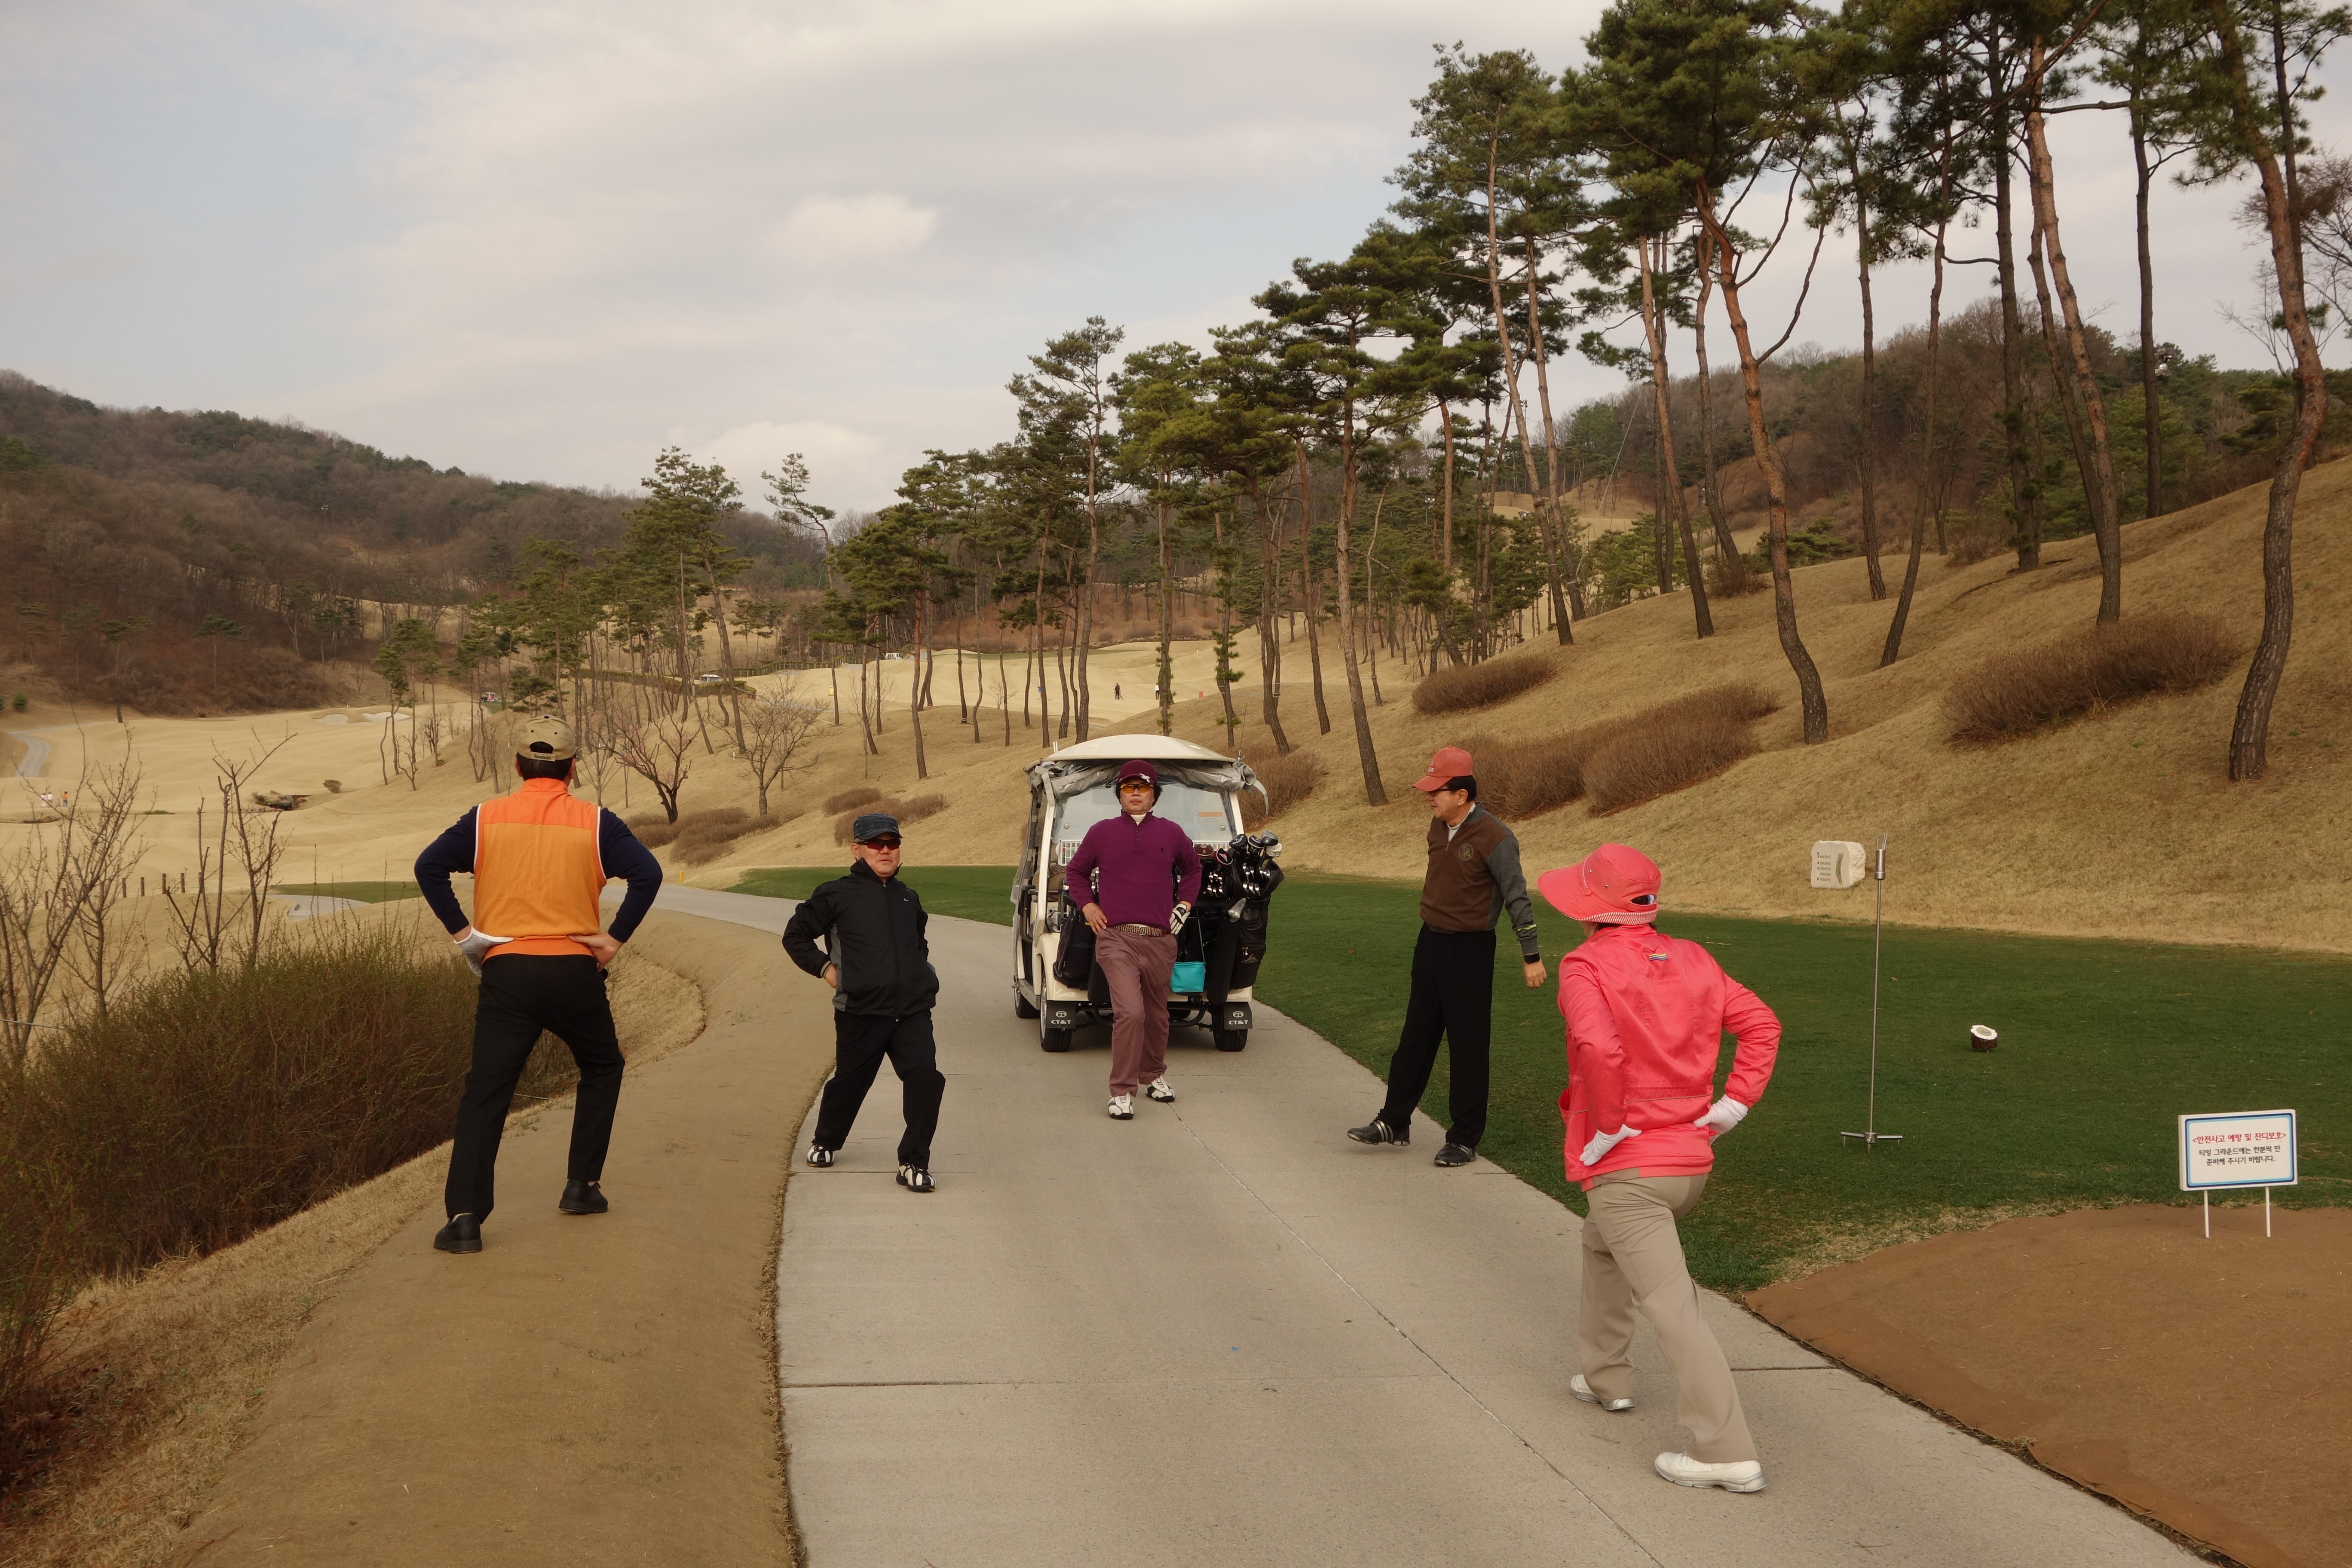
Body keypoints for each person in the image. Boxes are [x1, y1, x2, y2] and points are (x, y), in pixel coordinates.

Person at [1541, 842, 1780, 1494]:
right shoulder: (1695, 957)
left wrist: (1610, 1123)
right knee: (1601, 1244)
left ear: (1589, 908)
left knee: (1673, 1306)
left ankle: (1724, 1450)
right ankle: (1606, 1376)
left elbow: (1597, 1045)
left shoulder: (1585, 964)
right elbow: (1762, 1025)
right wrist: (1734, 1106)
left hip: (1629, 1171)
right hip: (1687, 1164)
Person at [414, 715, 663, 1256]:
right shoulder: (597, 823)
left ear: (517, 765)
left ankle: (465, 1220)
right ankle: (582, 1187)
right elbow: (649, 875)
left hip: (508, 974)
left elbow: (428, 867)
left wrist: (466, 936)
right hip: (575, 971)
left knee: (486, 1091)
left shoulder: (485, 818)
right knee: (603, 1067)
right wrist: (613, 940)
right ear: (573, 770)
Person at [1348, 745, 1544, 1166]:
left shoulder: (1496, 837)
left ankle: (1464, 1138)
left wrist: (1532, 955)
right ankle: (1394, 1120)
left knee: (1468, 1046)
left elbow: (1517, 898)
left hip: (1471, 950)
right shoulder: (1438, 826)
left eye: (1436, 791)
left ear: (1462, 794)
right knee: (1415, 1038)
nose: (1429, 797)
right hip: (1431, 943)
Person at [782, 812, 946, 1193]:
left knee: (926, 1078)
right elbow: (796, 935)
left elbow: (918, 944)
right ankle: (826, 1140)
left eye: (892, 843)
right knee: (850, 1083)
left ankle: (913, 1162)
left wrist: (922, 974)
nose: (885, 850)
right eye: (876, 844)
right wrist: (826, 969)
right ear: (857, 850)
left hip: (912, 1012)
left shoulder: (908, 898)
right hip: (860, 1011)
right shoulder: (836, 894)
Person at [1063, 758, 1201, 1120]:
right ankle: (1122, 1091)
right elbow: (1076, 872)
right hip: (1116, 939)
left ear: (1154, 794)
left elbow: (1193, 869)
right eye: (1128, 787)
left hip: (1160, 939)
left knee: (1156, 1015)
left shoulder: (1171, 833)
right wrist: (1088, 905)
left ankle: (1153, 1075)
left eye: (1143, 787)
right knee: (1131, 1012)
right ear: (1120, 794)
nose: (1136, 793)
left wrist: (1185, 904)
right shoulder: (1102, 833)